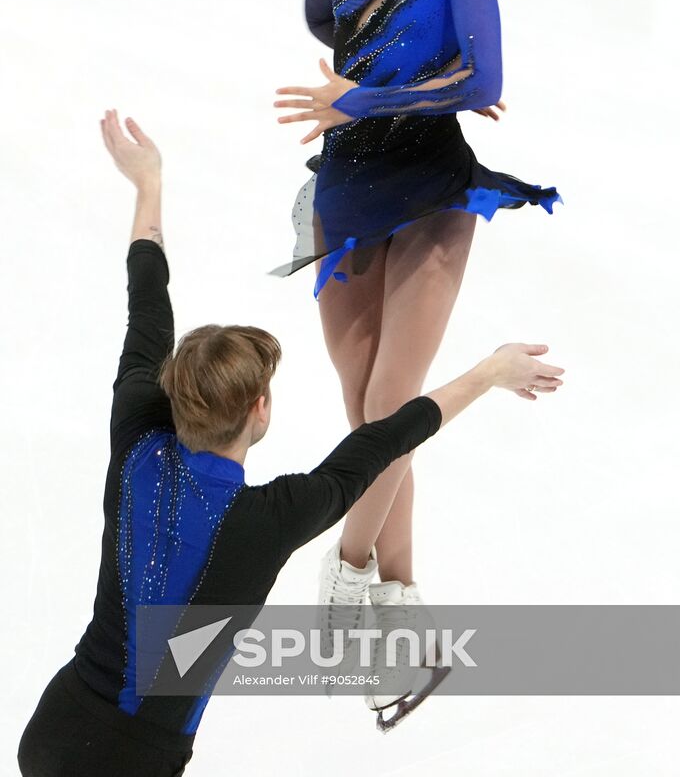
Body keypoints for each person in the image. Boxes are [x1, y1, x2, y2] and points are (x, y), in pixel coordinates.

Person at [17, 111, 564, 775]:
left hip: (54, 726)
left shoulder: (136, 430)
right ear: (260, 410)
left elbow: (147, 298)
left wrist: (148, 186)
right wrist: (489, 373)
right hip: (135, 761)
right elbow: (390, 436)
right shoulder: (263, 521)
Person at [271, 0, 563, 716]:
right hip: (348, 185)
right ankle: (402, 598)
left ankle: (347, 571)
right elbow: (335, 29)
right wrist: (417, 77)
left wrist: (381, 96)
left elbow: (488, 77)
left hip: (432, 187)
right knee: (365, 407)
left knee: (393, 405)